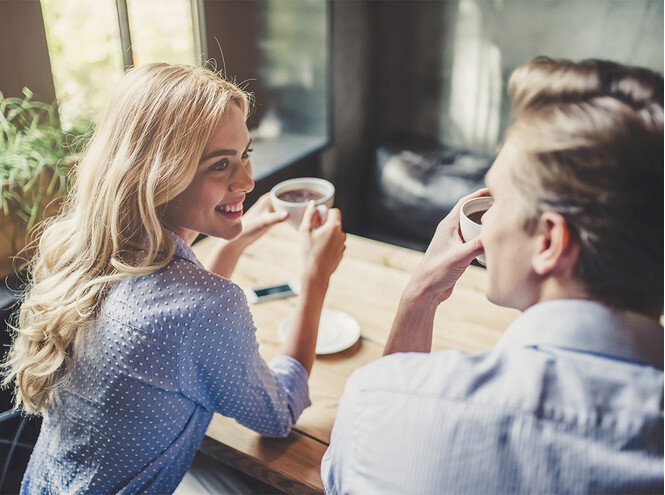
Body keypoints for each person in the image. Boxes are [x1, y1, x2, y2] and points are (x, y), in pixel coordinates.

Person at [322, 57, 663, 494]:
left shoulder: (384, 404)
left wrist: (416, 297)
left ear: (548, 242)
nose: (486, 215)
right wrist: (421, 295)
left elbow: (342, 474)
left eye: (496, 197)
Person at [3, 63, 346, 494]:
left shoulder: (80, 249)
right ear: (157, 174)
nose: (247, 180)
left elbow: (172, 328)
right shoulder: (205, 306)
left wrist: (231, 246)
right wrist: (315, 280)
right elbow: (277, 414)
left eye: (245, 154)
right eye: (220, 164)